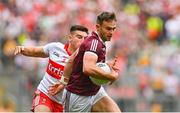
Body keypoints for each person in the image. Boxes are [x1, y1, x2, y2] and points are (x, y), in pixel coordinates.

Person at [48, 12, 121, 112]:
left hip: (95, 92)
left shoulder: (93, 40)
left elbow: (72, 60)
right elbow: (87, 68)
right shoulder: (94, 43)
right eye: (108, 28)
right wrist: (111, 76)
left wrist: (63, 82)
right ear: (98, 27)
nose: (111, 32)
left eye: (113, 29)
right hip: (78, 95)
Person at [14, 25, 88, 112]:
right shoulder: (55, 47)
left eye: (85, 38)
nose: (83, 40)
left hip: (64, 104)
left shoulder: (86, 60)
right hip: (45, 94)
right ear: (70, 38)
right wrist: (22, 49)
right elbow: (35, 51)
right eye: (79, 37)